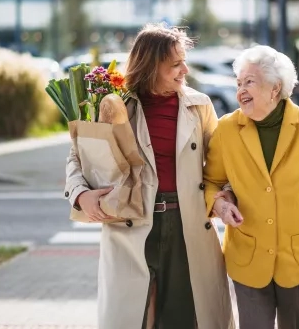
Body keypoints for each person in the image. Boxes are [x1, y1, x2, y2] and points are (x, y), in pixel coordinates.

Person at [64, 23, 235, 329]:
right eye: (175, 64)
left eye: (184, 61)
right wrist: (80, 194)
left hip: (188, 227)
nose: (184, 70)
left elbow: (222, 165)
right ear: (152, 65)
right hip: (131, 228)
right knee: (137, 319)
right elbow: (79, 155)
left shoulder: (200, 106)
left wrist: (226, 197)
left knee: (186, 320)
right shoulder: (113, 103)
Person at [203, 45, 299, 329]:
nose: (240, 90)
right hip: (248, 258)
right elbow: (210, 181)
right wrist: (220, 205)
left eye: (250, 82)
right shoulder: (226, 130)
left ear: (275, 88)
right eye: (238, 83)